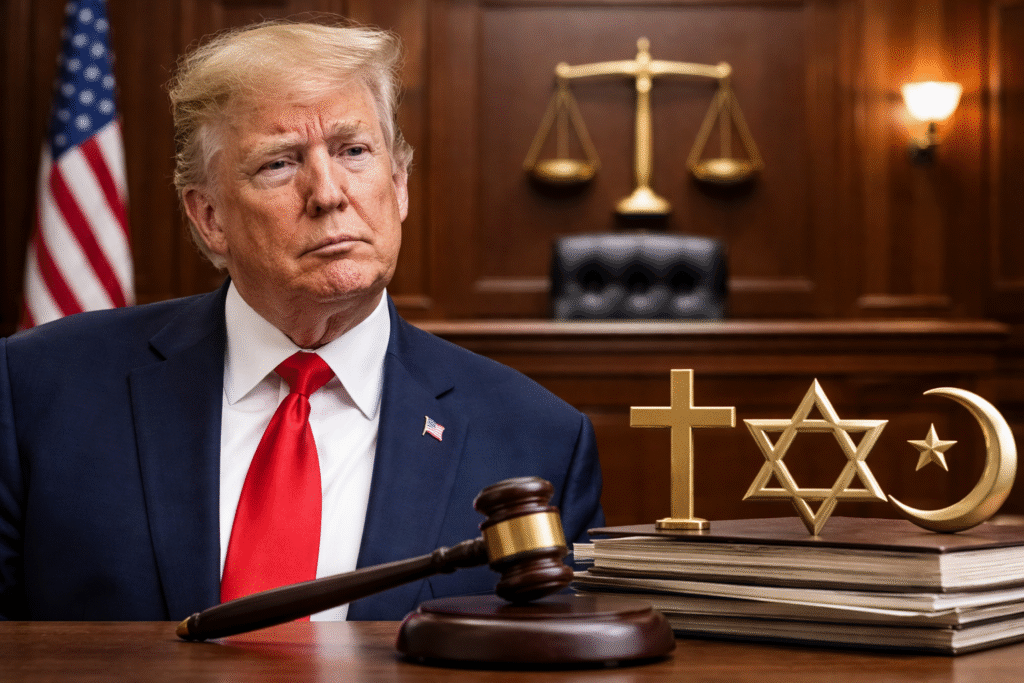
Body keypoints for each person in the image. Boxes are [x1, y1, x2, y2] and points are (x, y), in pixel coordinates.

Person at [0, 20, 603, 622]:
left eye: (354, 151)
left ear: (398, 187)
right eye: (279, 164)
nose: (328, 194)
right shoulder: (38, 393)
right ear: (209, 217)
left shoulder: (537, 441)